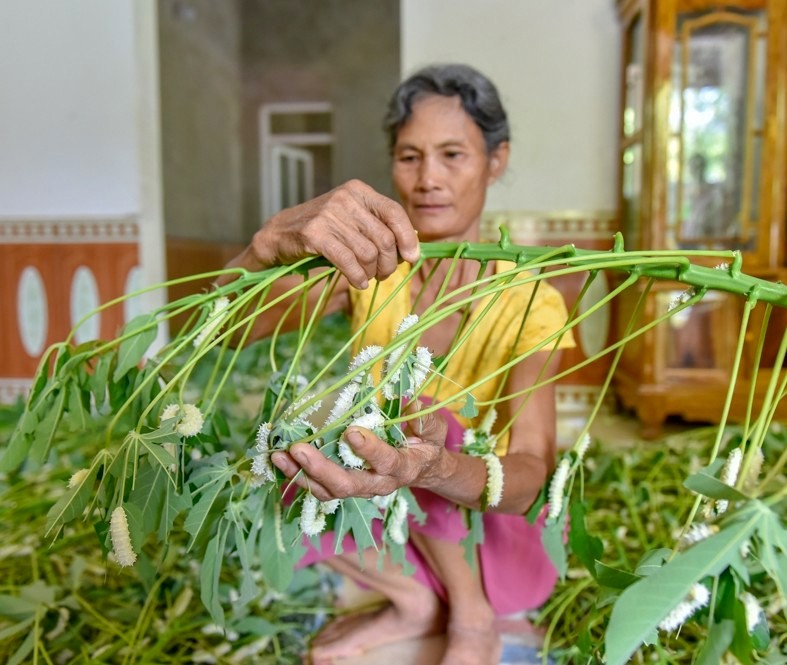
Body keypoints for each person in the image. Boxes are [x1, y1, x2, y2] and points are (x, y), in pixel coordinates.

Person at [222, 63, 574, 665]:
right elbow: (229, 330)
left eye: (452, 155)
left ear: (496, 161)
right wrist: (264, 246)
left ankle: (470, 614)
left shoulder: (530, 300)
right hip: (397, 519)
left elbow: (529, 478)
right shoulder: (374, 272)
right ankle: (415, 601)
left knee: (424, 415)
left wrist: (437, 468)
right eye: (410, 157)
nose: (428, 179)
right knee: (285, 448)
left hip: (497, 541)